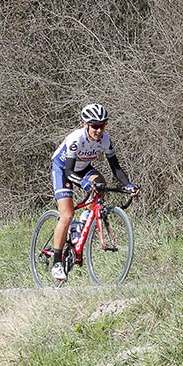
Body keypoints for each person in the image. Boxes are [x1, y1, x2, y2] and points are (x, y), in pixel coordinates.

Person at [49, 103, 140, 281]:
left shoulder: (105, 140)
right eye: (95, 126)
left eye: (102, 125)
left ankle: (82, 223)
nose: (99, 130)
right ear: (85, 124)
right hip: (63, 169)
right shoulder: (76, 139)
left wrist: (128, 185)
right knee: (66, 216)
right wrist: (82, 182)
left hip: (83, 168)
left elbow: (116, 168)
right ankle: (57, 262)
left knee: (100, 184)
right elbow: (69, 172)